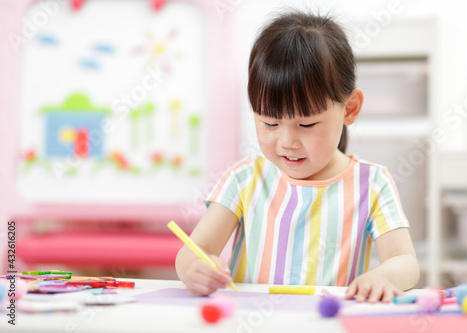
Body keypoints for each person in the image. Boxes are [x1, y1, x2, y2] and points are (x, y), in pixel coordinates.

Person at [175, 10, 420, 303]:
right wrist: (195, 267)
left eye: (306, 125)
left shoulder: (372, 183)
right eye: (270, 124)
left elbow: (405, 261)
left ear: (350, 109)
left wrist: (384, 275)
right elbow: (194, 248)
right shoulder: (244, 179)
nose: (287, 141)